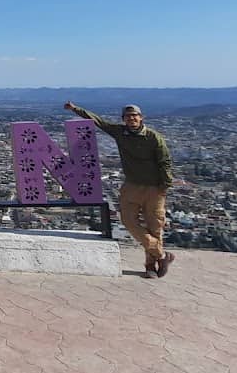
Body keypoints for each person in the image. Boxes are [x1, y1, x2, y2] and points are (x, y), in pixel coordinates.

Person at [63, 102, 176, 278]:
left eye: (135, 115)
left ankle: (150, 266)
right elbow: (98, 121)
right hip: (131, 185)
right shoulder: (119, 132)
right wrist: (75, 109)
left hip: (154, 187)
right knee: (128, 221)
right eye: (128, 116)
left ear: (141, 117)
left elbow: (165, 162)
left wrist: (165, 186)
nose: (132, 118)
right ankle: (162, 255)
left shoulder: (154, 137)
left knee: (154, 227)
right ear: (123, 119)